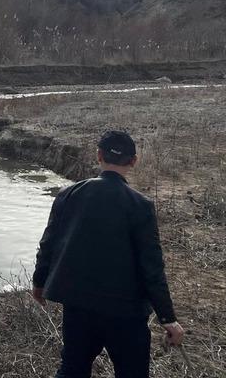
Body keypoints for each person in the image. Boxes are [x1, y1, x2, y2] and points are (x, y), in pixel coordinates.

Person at [31, 130, 184, 378]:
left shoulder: (68, 195)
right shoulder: (141, 205)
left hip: (78, 306)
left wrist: (39, 283)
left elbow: (48, 244)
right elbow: (152, 267)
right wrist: (167, 317)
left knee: (72, 370)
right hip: (127, 312)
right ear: (133, 161)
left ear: (98, 155)